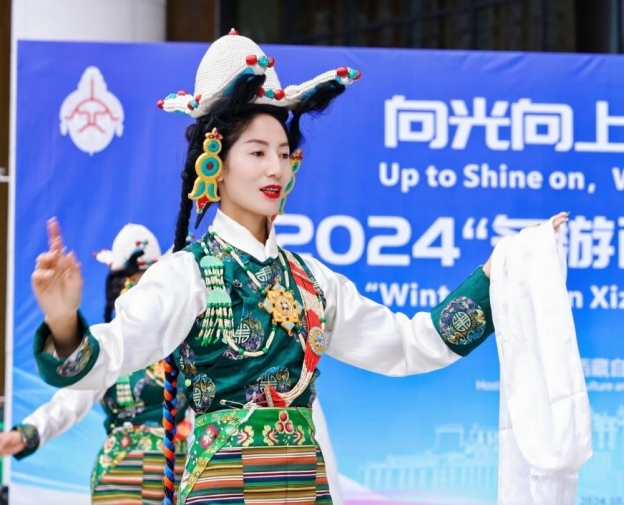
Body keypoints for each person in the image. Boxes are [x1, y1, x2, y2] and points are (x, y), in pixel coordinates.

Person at [29, 30, 568, 505]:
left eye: (283, 153)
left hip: (307, 489)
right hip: (223, 492)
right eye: (257, 152)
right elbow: (108, 356)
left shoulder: (312, 281)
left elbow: (410, 344)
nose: (275, 168)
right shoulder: (185, 273)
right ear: (215, 164)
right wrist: (62, 320)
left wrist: (493, 277)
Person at [2, 224, 191, 503]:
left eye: (150, 280)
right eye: (131, 281)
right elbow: (70, 400)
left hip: (178, 472)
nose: (141, 289)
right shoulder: (114, 347)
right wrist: (27, 433)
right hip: (121, 472)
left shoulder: (185, 345)